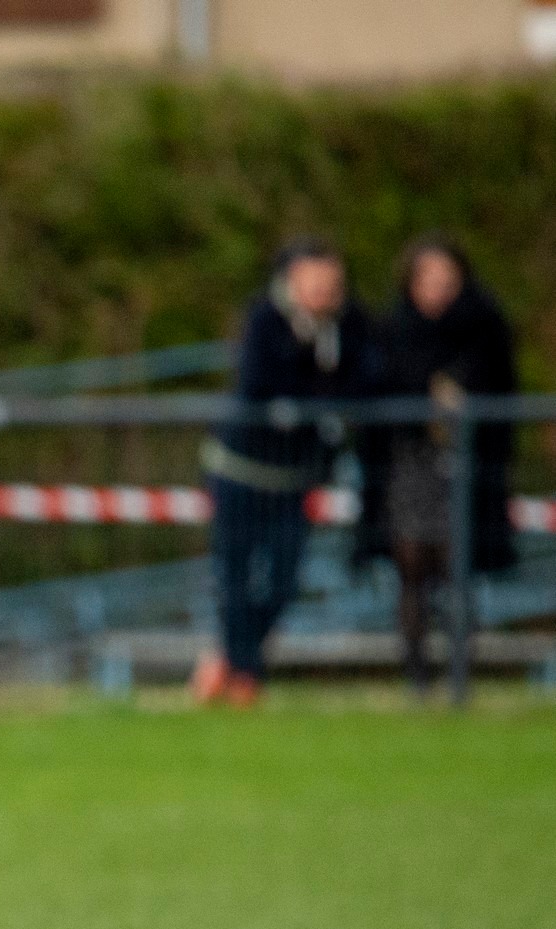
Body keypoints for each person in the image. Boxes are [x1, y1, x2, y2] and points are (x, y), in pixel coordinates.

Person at [194, 238, 380, 707]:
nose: (322, 290)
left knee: (283, 581)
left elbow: (363, 384)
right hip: (241, 471)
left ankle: (234, 660)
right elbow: (260, 385)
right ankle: (244, 677)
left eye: (330, 282)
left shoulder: (351, 326)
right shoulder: (265, 320)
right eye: (312, 280)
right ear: (290, 280)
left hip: (295, 479)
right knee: (234, 577)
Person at [360, 236, 519, 694]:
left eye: (447, 281)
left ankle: (459, 674)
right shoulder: (391, 330)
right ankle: (417, 676)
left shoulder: (484, 328)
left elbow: (501, 388)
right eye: (428, 280)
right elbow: (375, 387)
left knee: (458, 563)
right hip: (409, 462)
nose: (438, 290)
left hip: (467, 462)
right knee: (411, 562)